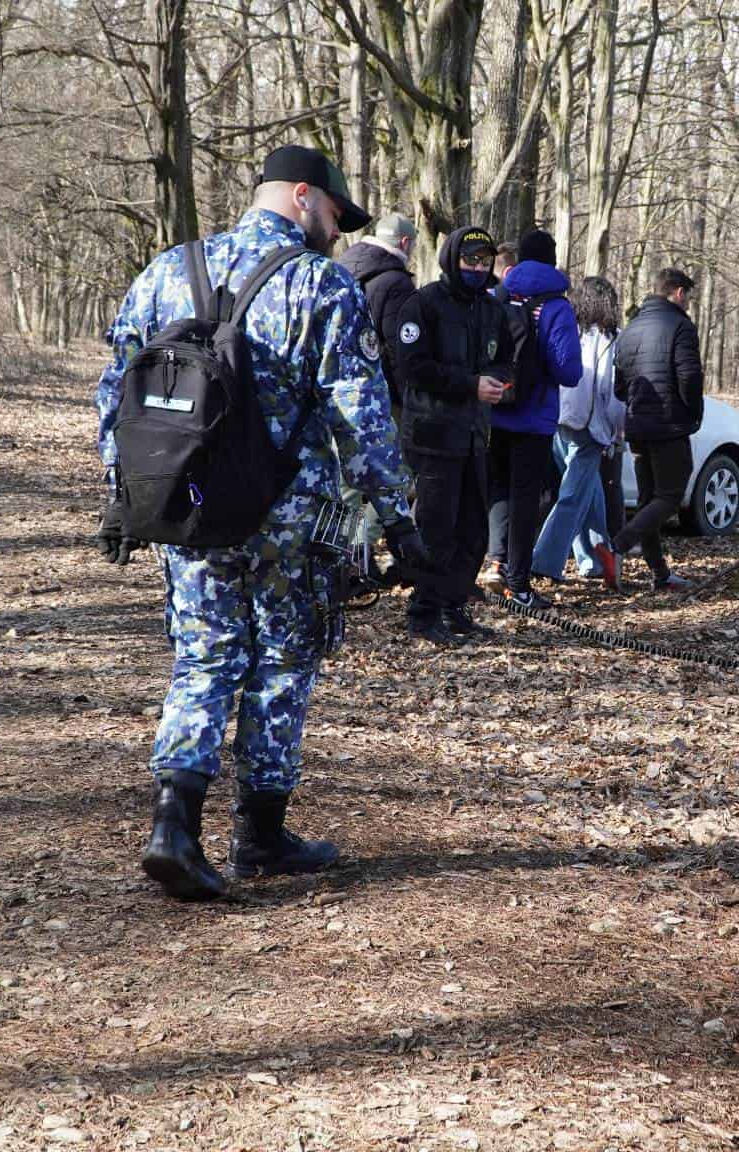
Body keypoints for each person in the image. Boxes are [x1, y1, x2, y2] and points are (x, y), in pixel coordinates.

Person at [93, 144, 423, 901]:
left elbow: (117, 393)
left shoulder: (167, 270)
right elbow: (361, 417)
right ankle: (259, 834)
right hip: (290, 522)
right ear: (303, 196)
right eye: (335, 214)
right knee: (280, 665)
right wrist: (398, 523)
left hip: (187, 508)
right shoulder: (319, 285)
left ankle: (173, 827)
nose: (337, 231)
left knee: (204, 661)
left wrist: (120, 495)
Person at [392, 224, 517, 646]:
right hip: (431, 435)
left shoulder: (492, 309)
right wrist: (469, 385)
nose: (477, 269)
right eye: (470, 261)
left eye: (484, 263)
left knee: (472, 530)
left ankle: (452, 604)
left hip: (474, 436)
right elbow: (413, 368)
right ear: (452, 259)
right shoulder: (424, 303)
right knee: (436, 529)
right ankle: (423, 612)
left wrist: (499, 383)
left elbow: (504, 360)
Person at [484, 229, 581, 607]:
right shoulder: (556, 307)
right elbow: (568, 371)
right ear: (552, 260)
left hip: (495, 407)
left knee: (497, 491)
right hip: (535, 417)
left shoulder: (497, 295)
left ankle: (495, 563)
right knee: (527, 497)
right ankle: (519, 585)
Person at [611, 267, 703, 590]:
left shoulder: (631, 327)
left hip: (637, 425)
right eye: (688, 296)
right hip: (668, 424)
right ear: (678, 292)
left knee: (651, 498)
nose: (689, 303)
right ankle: (619, 545)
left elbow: (618, 384)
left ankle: (660, 574)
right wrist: (693, 412)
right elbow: (690, 377)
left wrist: (635, 405)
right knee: (670, 496)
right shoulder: (680, 326)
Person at [533, 275, 625, 588]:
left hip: (559, 421)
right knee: (573, 497)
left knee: (588, 492)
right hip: (589, 427)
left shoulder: (569, 331)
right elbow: (610, 391)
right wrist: (616, 430)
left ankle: (598, 559)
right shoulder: (610, 339)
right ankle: (544, 561)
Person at [336, 214, 419, 415]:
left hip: (339, 386)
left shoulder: (340, 268)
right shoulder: (397, 282)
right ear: (405, 242)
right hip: (380, 395)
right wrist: (409, 400)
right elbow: (398, 348)